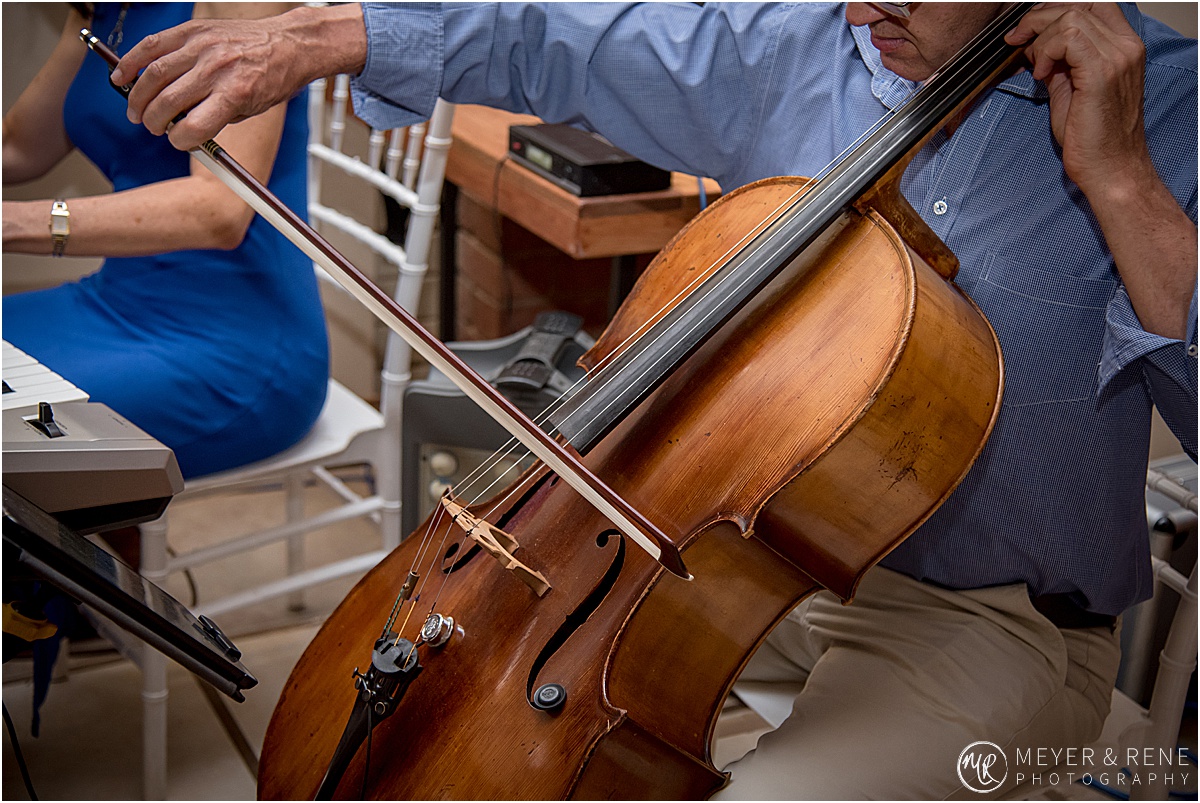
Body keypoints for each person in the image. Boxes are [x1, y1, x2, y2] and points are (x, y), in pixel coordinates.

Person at [110, 2, 1197, 798]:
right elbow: (555, 34)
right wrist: (321, 36)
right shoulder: (809, 42)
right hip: (719, 543)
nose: (867, 6)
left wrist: (1126, 185)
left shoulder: (1172, 114)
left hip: (976, 612)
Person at [3, 2, 328, 480]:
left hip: (232, 349)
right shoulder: (99, 8)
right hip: (112, 301)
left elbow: (218, 209)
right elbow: (19, 146)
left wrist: (10, 224)